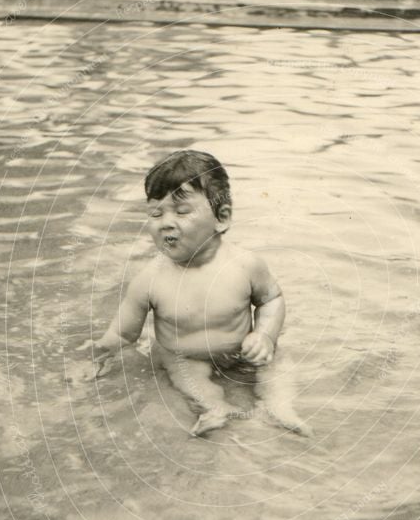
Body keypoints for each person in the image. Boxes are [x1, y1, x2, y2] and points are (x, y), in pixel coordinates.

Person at [88, 150, 310, 437]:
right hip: (186, 357)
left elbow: (271, 300)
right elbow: (122, 334)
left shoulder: (245, 265)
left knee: (278, 360)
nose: (166, 222)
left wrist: (265, 335)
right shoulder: (149, 280)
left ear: (221, 218)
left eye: (181, 212)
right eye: (156, 213)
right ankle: (214, 407)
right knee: (182, 371)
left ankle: (280, 406)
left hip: (242, 352)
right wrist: (96, 358)